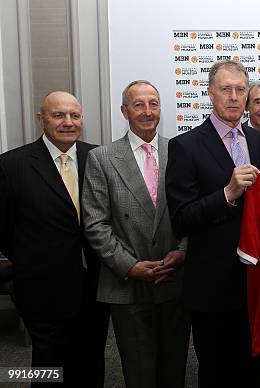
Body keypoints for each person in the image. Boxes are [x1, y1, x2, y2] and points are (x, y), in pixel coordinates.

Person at [165, 60, 260, 387]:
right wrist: (227, 193)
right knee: (216, 371)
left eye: (240, 89)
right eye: (225, 89)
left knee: (254, 369)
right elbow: (181, 219)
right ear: (210, 93)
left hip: (255, 282)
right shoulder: (186, 146)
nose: (233, 96)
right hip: (211, 286)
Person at [82, 80, 190, 388]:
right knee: (139, 370)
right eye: (138, 105)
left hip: (174, 279)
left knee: (175, 368)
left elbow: (192, 213)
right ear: (124, 111)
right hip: (126, 283)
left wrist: (182, 252)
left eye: (153, 104)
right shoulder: (102, 158)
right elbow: (95, 223)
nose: (147, 112)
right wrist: (129, 265)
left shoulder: (179, 151)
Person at [0, 91, 109, 387]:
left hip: (93, 287)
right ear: (41, 119)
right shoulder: (12, 166)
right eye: (58, 115)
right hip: (41, 289)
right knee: (49, 367)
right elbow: (5, 230)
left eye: (74, 115)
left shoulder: (98, 157)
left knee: (91, 360)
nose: (68, 122)